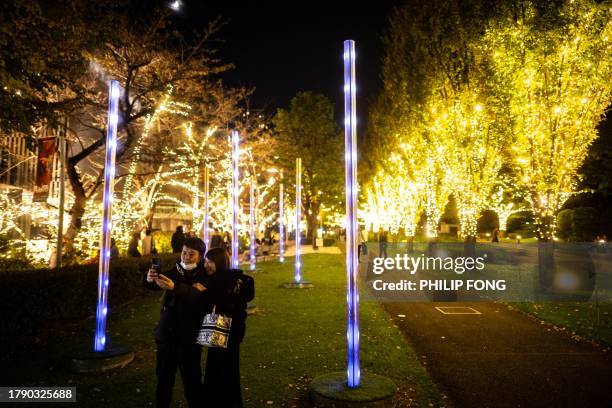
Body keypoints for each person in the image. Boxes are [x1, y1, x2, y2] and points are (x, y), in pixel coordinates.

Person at [144, 238, 208, 408]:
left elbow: (199, 297)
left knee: (192, 381)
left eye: (191, 254)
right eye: (184, 253)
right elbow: (154, 286)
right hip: (167, 335)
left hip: (190, 338)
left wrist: (175, 288)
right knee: (164, 379)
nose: (186, 257)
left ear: (200, 256)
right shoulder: (172, 272)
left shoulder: (204, 276)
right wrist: (149, 280)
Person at [201, 247, 254, 407]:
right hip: (215, 323)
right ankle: (213, 400)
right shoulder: (210, 278)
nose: (206, 265)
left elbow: (237, 301)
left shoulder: (234, 280)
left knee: (226, 368)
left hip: (226, 326)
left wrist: (208, 292)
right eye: (205, 261)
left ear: (219, 262)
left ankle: (226, 401)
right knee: (213, 366)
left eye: (210, 262)